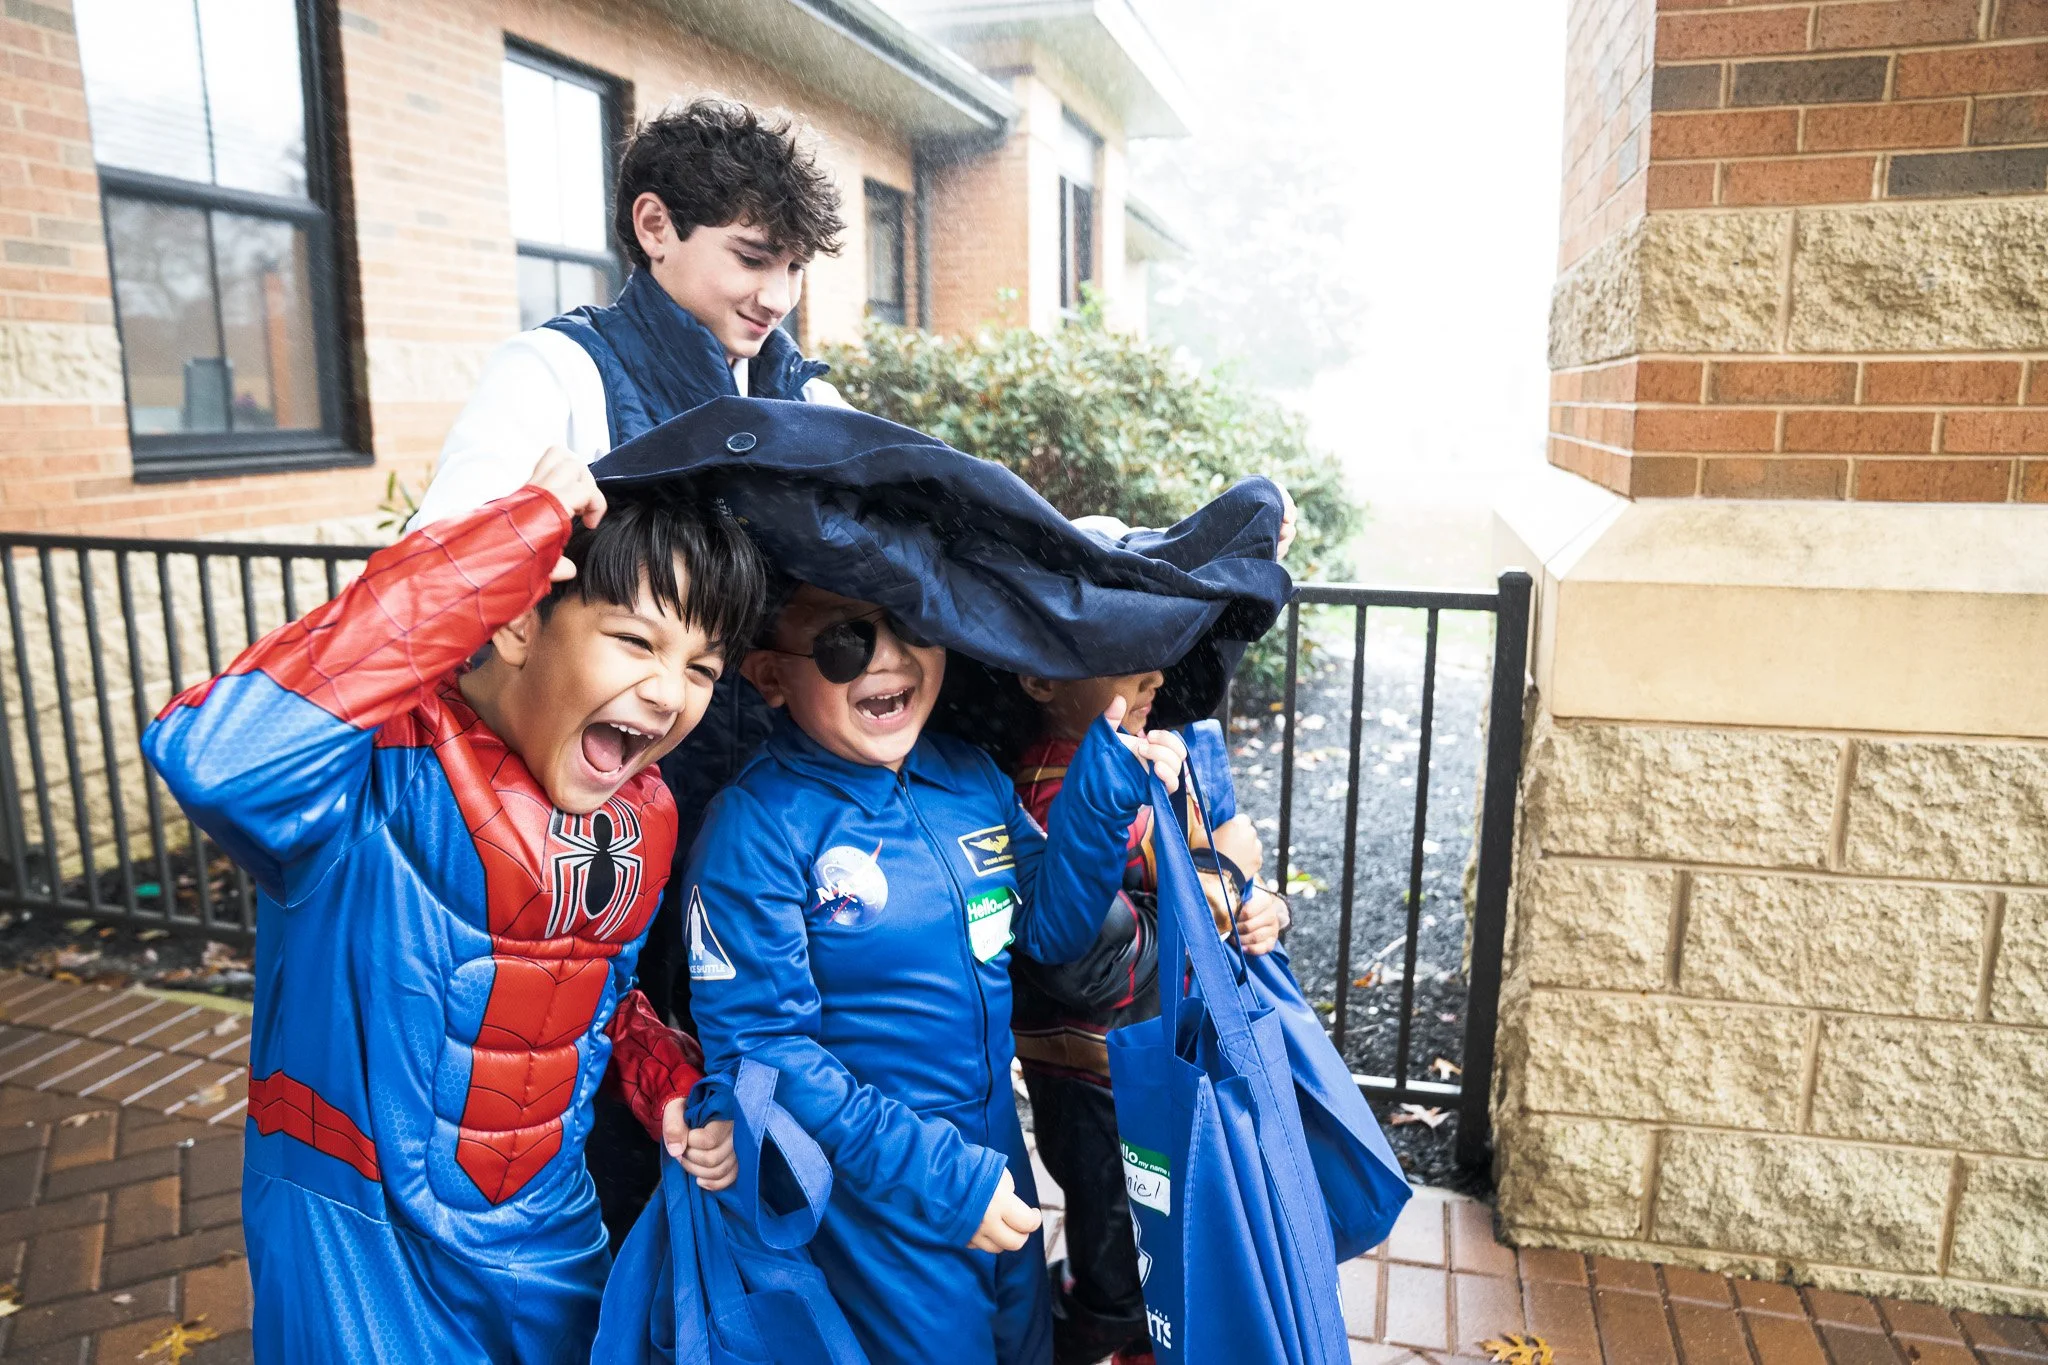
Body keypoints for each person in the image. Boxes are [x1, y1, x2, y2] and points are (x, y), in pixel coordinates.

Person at [141, 453, 751, 1363]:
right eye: (635, 640)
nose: (669, 693)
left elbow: (593, 997)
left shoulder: (640, 813)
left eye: (701, 666)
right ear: (514, 621)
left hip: (547, 1233)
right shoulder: (366, 773)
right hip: (361, 1244)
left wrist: (664, 1080)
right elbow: (216, 753)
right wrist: (500, 544)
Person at [405, 93, 851, 1240]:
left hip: (764, 819)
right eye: (752, 258)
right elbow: (444, 574)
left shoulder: (802, 396)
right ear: (653, 225)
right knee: (607, 1102)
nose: (774, 297)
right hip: (598, 808)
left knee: (756, 1086)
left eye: (793, 269)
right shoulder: (555, 372)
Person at [676, 583, 1189, 1365]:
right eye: (846, 640)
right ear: (772, 676)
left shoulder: (970, 779)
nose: (888, 654)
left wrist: (1103, 786)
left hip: (994, 1175)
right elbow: (766, 1050)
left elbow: (1051, 932)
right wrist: (946, 1182)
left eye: (910, 623)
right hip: (878, 1203)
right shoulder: (756, 829)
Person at [1006, 668, 1292, 1365]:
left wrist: (1262, 907)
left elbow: (1196, 876)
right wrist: (1223, 881)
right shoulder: (1047, 786)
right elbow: (1096, 963)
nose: (1155, 673)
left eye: (1157, 650)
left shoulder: (1155, 752)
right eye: (1121, 653)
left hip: (1153, 1064)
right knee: (1119, 1286)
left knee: (1164, 1264)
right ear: (1041, 679)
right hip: (1098, 1085)